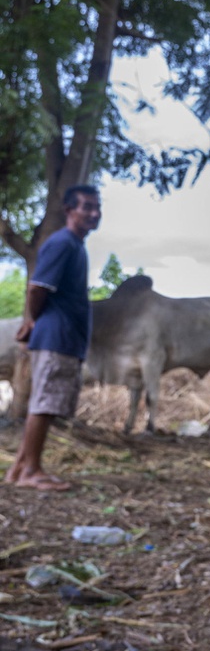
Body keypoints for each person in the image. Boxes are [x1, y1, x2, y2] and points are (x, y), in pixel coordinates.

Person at [4, 184, 102, 490]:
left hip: (64, 337)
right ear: (69, 210)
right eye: (86, 207)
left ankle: (19, 468)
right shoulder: (62, 243)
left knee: (45, 403)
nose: (94, 213)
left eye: (97, 208)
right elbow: (37, 288)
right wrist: (33, 320)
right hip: (56, 337)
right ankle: (31, 470)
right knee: (44, 406)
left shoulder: (75, 245)